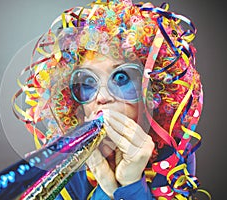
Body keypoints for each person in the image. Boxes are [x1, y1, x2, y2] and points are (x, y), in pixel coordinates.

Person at [12, 0, 206, 199]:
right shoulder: (61, 162)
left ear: (154, 93)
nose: (102, 97)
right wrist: (106, 187)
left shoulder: (175, 155)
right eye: (87, 82)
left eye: (122, 78)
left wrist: (131, 182)